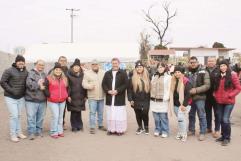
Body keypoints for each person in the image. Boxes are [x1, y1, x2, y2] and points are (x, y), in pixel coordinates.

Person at [0, 55, 28, 142]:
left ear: (24, 62)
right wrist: (12, 91)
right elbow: (2, 82)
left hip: (21, 97)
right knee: (14, 116)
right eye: (19, 61)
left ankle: (19, 132)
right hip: (10, 97)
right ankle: (13, 134)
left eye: (22, 61)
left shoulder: (25, 71)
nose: (21, 63)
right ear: (16, 62)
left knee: (18, 116)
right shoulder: (9, 70)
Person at [213, 60, 241, 146]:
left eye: (224, 65)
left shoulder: (233, 75)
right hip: (219, 101)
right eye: (221, 66)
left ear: (227, 66)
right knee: (221, 119)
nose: (222, 67)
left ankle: (227, 138)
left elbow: (238, 88)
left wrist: (230, 95)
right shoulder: (218, 75)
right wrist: (214, 94)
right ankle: (223, 136)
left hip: (229, 102)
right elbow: (216, 87)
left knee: (225, 119)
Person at [186, 56, 210, 141]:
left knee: (201, 115)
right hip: (190, 98)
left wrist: (196, 90)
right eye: (191, 62)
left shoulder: (204, 71)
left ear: (197, 62)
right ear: (189, 63)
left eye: (194, 62)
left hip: (200, 97)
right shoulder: (187, 71)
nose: (193, 64)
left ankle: (202, 132)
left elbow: (207, 85)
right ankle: (191, 130)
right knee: (191, 114)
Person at [102, 58, 128, 135]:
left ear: (119, 63)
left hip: (119, 98)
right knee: (110, 114)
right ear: (111, 64)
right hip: (110, 98)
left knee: (119, 115)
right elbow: (104, 84)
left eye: (116, 63)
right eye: (113, 63)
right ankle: (111, 129)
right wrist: (108, 91)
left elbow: (126, 84)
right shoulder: (107, 73)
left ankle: (120, 130)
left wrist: (117, 91)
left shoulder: (123, 73)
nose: (114, 64)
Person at [44, 62, 68, 139]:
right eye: (56, 69)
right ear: (54, 70)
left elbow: (68, 87)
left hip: (62, 100)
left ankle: (60, 131)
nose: (58, 71)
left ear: (61, 71)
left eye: (59, 70)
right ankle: (53, 131)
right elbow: (45, 88)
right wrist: (49, 95)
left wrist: (66, 95)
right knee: (55, 116)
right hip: (53, 101)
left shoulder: (64, 78)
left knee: (61, 117)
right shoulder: (48, 78)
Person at [82, 59, 106, 134]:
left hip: (101, 96)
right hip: (92, 97)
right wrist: (89, 86)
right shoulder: (87, 73)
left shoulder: (103, 72)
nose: (95, 66)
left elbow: (106, 82)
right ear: (91, 65)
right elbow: (84, 84)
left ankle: (100, 125)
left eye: (96, 64)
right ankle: (92, 127)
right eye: (93, 64)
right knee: (92, 112)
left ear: (98, 65)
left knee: (101, 112)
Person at [25, 60, 47, 140]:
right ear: (35, 65)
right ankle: (31, 132)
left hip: (42, 100)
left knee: (40, 117)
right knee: (31, 117)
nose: (41, 66)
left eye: (43, 65)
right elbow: (29, 84)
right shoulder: (31, 73)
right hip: (31, 99)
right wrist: (38, 86)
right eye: (40, 64)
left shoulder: (44, 74)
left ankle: (39, 131)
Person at [169, 65, 192, 142]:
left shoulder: (186, 81)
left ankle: (184, 134)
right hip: (175, 104)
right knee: (180, 119)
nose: (177, 73)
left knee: (181, 118)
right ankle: (180, 132)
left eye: (179, 72)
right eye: (175, 72)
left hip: (184, 104)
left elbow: (189, 94)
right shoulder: (173, 81)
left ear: (182, 73)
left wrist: (184, 105)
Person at [127, 60, 150, 135]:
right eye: (137, 67)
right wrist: (130, 99)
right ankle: (140, 127)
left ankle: (146, 127)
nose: (139, 68)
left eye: (140, 67)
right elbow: (129, 90)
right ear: (135, 68)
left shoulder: (147, 77)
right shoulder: (132, 78)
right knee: (138, 113)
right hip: (136, 99)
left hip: (146, 99)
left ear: (143, 68)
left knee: (145, 113)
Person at [150, 62, 171, 138]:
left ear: (165, 68)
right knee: (156, 117)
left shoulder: (168, 77)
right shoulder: (154, 76)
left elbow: (169, 89)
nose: (160, 69)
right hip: (153, 100)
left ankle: (165, 130)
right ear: (157, 68)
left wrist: (166, 97)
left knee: (163, 117)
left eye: (162, 67)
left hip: (163, 100)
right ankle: (157, 129)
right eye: (159, 67)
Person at [66, 59, 87, 132]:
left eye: (78, 66)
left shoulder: (83, 75)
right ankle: (74, 126)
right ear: (72, 67)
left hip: (81, 95)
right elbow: (67, 86)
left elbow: (85, 85)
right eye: (75, 66)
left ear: (80, 67)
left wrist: (86, 96)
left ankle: (80, 126)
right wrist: (68, 96)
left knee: (79, 111)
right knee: (73, 112)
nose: (76, 68)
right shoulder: (68, 75)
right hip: (72, 96)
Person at [48, 56, 69, 130]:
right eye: (61, 60)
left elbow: (68, 84)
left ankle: (61, 125)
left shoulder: (68, 70)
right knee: (55, 114)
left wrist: (67, 95)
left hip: (63, 95)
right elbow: (47, 83)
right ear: (58, 61)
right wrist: (48, 95)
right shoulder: (52, 70)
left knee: (62, 112)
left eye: (64, 60)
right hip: (54, 97)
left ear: (66, 62)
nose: (63, 62)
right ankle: (54, 128)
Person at [205, 57, 220, 138]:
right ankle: (208, 127)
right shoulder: (204, 70)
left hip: (216, 96)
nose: (210, 62)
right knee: (207, 113)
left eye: (212, 61)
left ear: (215, 62)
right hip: (206, 95)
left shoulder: (219, 70)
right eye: (209, 61)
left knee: (217, 113)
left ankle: (217, 129)